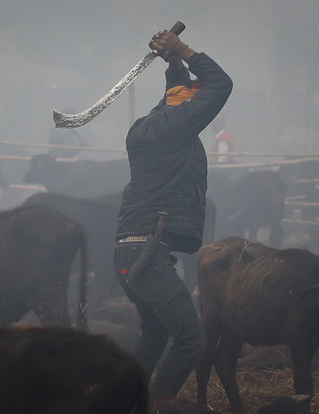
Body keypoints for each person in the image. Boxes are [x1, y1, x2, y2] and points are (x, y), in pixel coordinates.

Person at [113, 29, 232, 398]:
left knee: (156, 335)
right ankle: (159, 404)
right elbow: (221, 83)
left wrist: (174, 64)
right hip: (148, 253)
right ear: (186, 110)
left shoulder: (153, 125)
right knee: (192, 341)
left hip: (133, 253)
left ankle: (123, 402)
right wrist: (181, 48)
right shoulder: (176, 127)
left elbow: (178, 97)